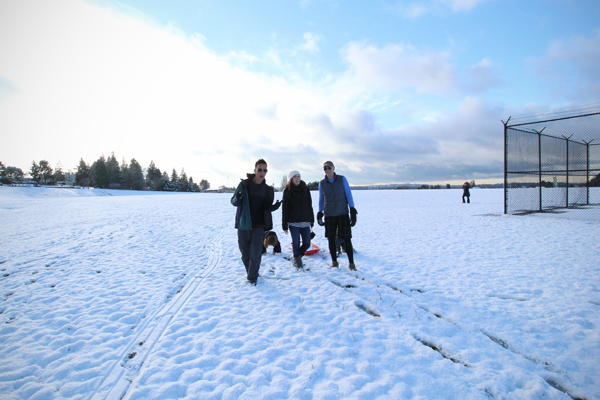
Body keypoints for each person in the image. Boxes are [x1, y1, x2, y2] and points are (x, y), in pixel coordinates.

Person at [231, 159, 281, 285]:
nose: (262, 172)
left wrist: (274, 207)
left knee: (256, 253)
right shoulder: (244, 185)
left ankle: (252, 278)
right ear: (254, 170)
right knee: (245, 254)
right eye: (259, 169)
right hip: (244, 225)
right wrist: (238, 196)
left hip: (259, 226)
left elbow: (266, 209)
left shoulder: (268, 190)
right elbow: (233, 202)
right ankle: (251, 272)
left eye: (264, 170)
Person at [317, 161, 357, 271]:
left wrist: (352, 210)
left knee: (347, 238)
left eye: (329, 167)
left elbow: (348, 194)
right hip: (329, 214)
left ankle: (351, 264)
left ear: (333, 168)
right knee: (331, 239)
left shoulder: (342, 179)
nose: (327, 170)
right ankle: (334, 262)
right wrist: (320, 212)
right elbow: (321, 199)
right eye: (325, 168)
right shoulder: (322, 183)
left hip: (342, 212)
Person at [282, 170, 314, 270]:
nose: (297, 178)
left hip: (305, 221)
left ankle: (297, 256)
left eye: (298, 176)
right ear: (291, 179)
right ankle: (298, 263)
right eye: (295, 176)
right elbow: (285, 209)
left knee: (307, 243)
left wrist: (311, 219)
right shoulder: (287, 191)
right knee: (296, 243)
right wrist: (284, 224)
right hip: (293, 223)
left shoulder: (305, 188)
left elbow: (309, 205)